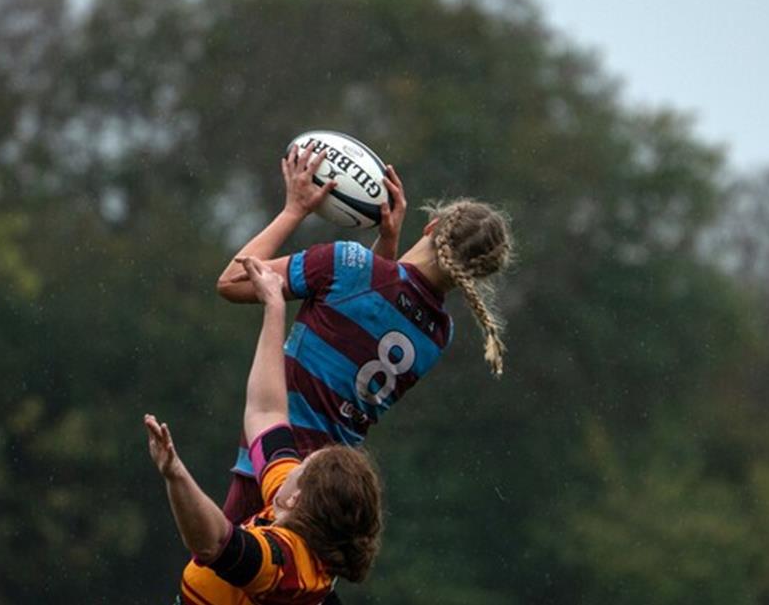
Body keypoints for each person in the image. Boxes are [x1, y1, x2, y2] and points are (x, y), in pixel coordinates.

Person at [215, 145, 513, 523]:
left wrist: (295, 209)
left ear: (432, 226)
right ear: (474, 276)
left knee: (216, 559)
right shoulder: (439, 335)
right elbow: (381, 306)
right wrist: (388, 244)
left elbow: (233, 282)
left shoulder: (348, 265)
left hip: (273, 466)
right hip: (330, 494)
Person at [146, 257, 382, 605]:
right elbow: (266, 412)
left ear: (296, 498)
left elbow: (213, 544)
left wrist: (175, 474)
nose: (294, 462)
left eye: (301, 466)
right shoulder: (298, 509)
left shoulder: (285, 566)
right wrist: (274, 307)